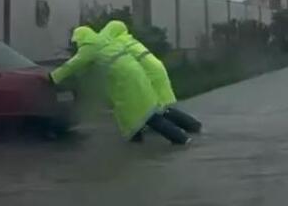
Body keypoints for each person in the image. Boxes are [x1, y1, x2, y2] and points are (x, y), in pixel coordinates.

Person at [51, 26, 190, 145]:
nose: (76, 45)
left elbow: (72, 65)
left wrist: (53, 77)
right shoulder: (106, 43)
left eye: (76, 42)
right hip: (137, 78)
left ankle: (180, 139)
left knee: (146, 116)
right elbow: (88, 69)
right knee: (140, 116)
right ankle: (140, 146)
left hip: (126, 83)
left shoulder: (90, 47)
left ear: (81, 38)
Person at [99, 20, 203, 134]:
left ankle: (192, 125)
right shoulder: (128, 39)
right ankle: (190, 126)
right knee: (158, 106)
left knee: (158, 108)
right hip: (155, 69)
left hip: (149, 74)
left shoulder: (118, 43)